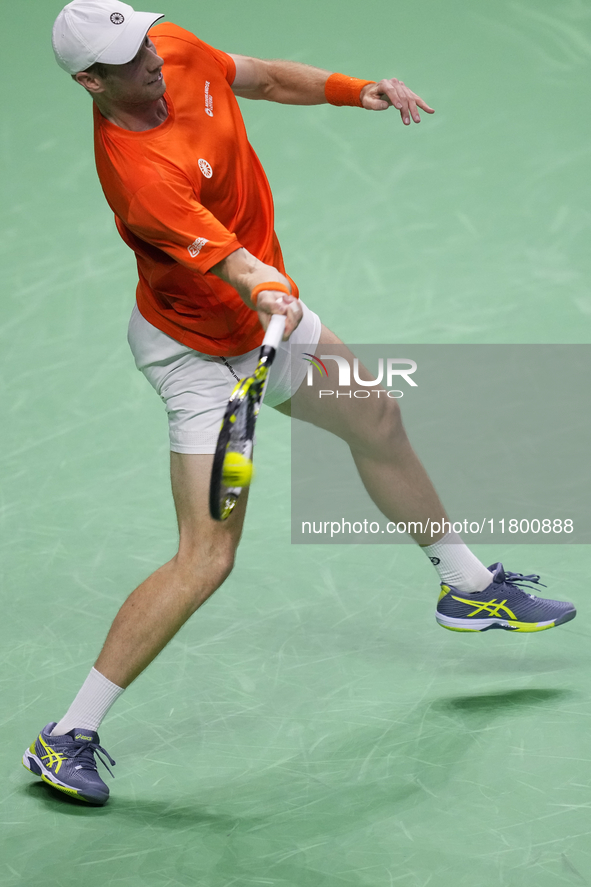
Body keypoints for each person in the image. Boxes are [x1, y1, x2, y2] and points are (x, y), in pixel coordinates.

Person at [22, 0, 576, 807]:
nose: (148, 55)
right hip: (203, 356)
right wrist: (270, 290)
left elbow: (267, 77)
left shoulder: (170, 48)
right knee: (205, 558)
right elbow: (239, 267)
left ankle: (466, 587)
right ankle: (66, 734)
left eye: (143, 36)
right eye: (124, 53)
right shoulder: (141, 174)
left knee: (376, 418)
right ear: (89, 82)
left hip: (267, 326)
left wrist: (358, 90)